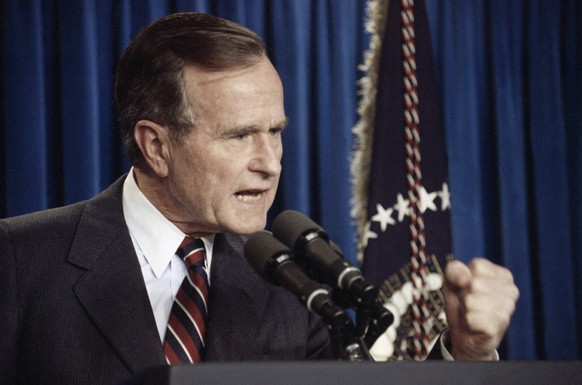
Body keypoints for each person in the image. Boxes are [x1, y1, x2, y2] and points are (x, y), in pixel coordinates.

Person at [0, 12, 519, 385]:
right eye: (239, 135)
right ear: (155, 146)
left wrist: (465, 353)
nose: (270, 163)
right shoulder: (19, 260)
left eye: (275, 132)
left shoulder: (293, 287)